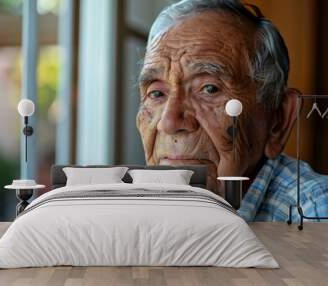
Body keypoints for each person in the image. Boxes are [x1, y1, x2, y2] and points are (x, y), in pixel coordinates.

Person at [136, 0, 328, 221]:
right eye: (156, 93)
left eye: (209, 89)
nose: (169, 123)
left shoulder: (314, 213)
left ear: (279, 120)